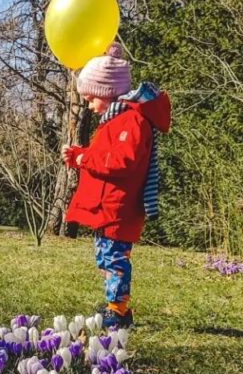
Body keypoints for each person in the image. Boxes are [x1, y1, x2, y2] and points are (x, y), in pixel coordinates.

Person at [62, 43, 171, 329]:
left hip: (119, 206)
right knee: (105, 257)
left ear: (107, 92)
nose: (89, 105)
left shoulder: (131, 121)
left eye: (90, 99)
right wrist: (79, 156)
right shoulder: (115, 121)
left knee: (115, 258)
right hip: (108, 206)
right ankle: (113, 304)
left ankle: (119, 311)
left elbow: (121, 161)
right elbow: (104, 156)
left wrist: (85, 158)